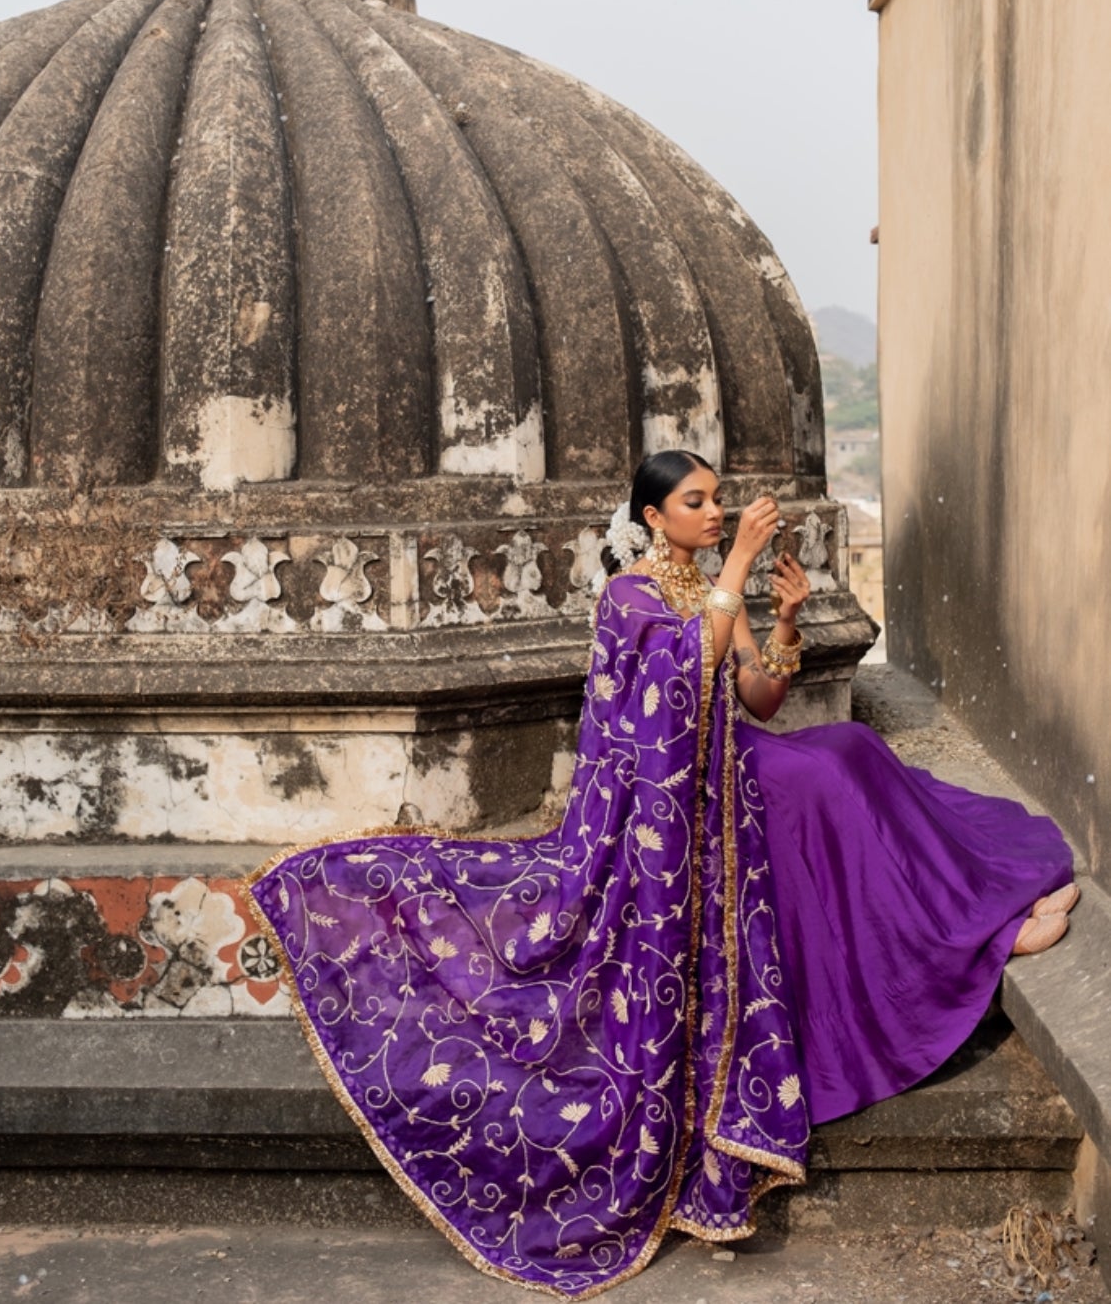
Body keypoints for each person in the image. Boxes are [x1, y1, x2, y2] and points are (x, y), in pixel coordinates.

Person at [245, 450, 1075, 1299]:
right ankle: (980, 936)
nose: (715, 514)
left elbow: (756, 697)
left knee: (853, 748)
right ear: (652, 517)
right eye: (696, 501)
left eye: (718, 501)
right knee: (829, 779)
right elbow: (677, 689)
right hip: (679, 799)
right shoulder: (630, 596)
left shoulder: (707, 581)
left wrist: (784, 625)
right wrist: (743, 567)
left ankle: (975, 913)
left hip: (741, 763)